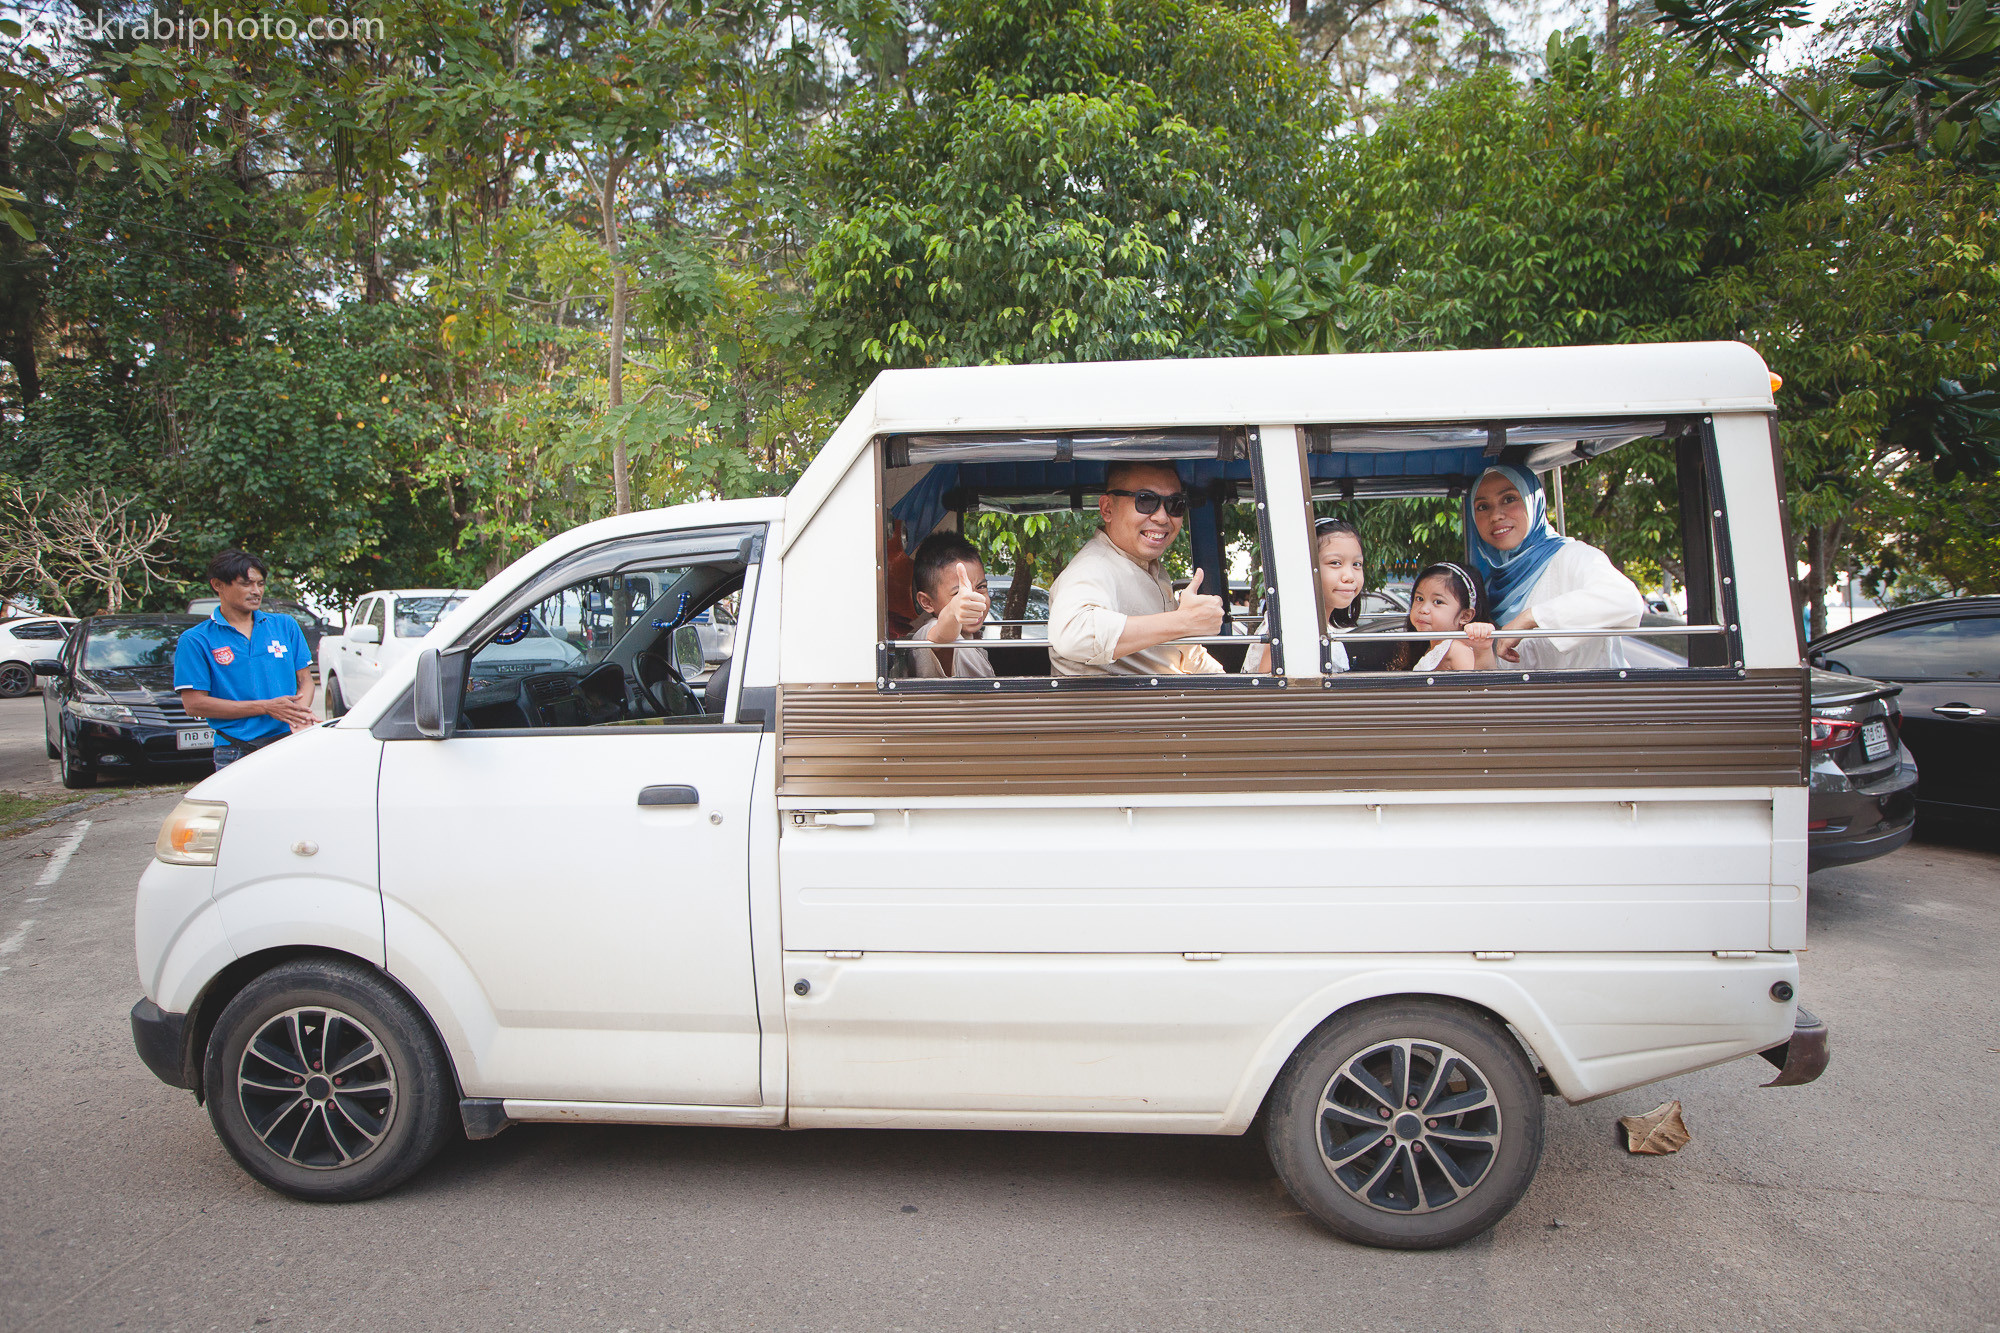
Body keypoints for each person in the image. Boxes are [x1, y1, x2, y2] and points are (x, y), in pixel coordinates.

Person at [1047, 462, 1226, 677]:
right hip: (1121, 708)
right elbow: (1073, 637)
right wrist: (1185, 621)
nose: (1162, 517)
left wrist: (1234, 690)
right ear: (1107, 509)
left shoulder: (1150, 570)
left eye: (1175, 504)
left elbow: (1182, 651)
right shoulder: (1093, 566)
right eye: (1146, 500)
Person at [1465, 464, 1644, 671]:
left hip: (1594, 699)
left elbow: (1625, 600)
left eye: (1509, 499)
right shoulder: (1490, 588)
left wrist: (1531, 618)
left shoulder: (1570, 556)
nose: (1496, 515)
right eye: (1482, 507)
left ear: (1535, 503)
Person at [174, 550, 316, 770]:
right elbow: (194, 705)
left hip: (287, 744)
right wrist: (266, 707)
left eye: (260, 584)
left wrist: (297, 716)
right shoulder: (196, 639)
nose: (256, 591)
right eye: (246, 584)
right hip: (235, 750)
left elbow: (306, 681)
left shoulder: (285, 625)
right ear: (218, 585)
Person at [1244, 517, 1367, 674]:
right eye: (1335, 563)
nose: (1349, 576)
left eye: (1357, 564)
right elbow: (1271, 690)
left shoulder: (1316, 624)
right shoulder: (1294, 624)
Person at [895, 531, 995, 679]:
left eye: (981, 587)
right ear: (927, 602)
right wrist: (953, 611)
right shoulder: (931, 632)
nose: (975, 599)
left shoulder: (970, 636)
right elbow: (942, 635)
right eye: (958, 594)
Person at [1388, 561, 1498, 673]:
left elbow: (1481, 686)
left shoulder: (1456, 649)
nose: (1423, 609)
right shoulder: (1431, 646)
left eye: (1438, 602)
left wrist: (1483, 651)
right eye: (1419, 599)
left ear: (1465, 616)